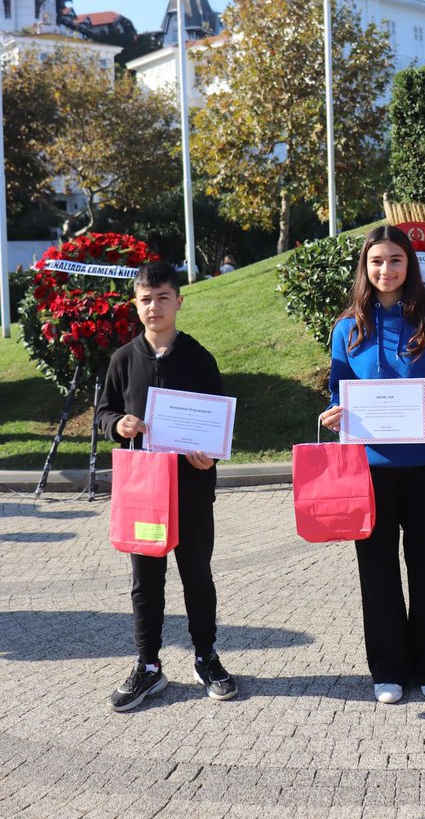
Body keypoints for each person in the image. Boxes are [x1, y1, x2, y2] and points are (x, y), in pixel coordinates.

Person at [320, 225, 425, 704]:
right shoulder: (347, 327)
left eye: (396, 260)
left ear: (410, 264)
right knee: (377, 571)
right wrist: (334, 412)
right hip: (369, 470)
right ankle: (387, 669)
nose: (386, 270)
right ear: (365, 266)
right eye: (377, 261)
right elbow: (337, 390)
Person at [97, 261, 237, 712]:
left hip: (192, 490)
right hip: (145, 495)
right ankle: (149, 665)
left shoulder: (199, 358)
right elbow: (103, 415)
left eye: (162, 297)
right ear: (135, 305)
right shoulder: (122, 360)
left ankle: (206, 656)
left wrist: (209, 453)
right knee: (145, 581)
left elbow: (218, 422)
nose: (154, 306)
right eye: (145, 299)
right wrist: (119, 424)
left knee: (197, 575)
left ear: (179, 301)